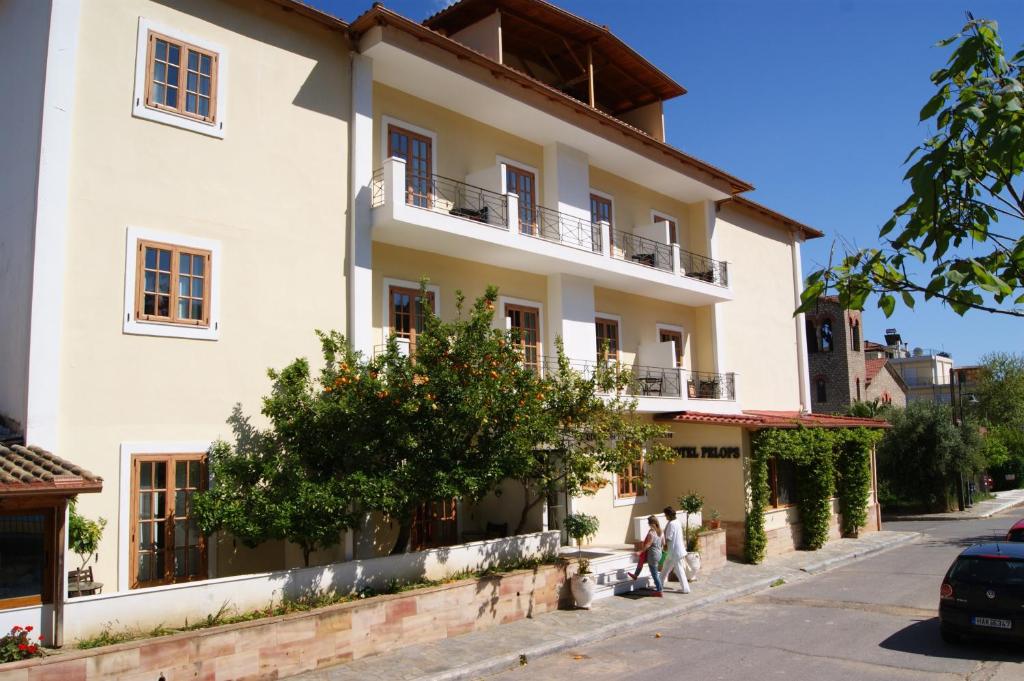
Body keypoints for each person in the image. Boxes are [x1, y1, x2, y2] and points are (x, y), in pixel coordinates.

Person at [629, 515, 663, 596]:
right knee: (641, 560)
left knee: (654, 574)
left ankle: (659, 590)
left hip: (653, 555)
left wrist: (640, 551)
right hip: (658, 553)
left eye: (649, 523)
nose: (648, 524)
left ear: (652, 523)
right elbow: (663, 543)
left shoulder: (652, 533)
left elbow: (648, 544)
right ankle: (635, 575)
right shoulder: (660, 531)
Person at [659, 506, 691, 594]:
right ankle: (659, 585)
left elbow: (669, 538)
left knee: (679, 570)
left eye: (665, 515)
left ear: (669, 515)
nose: (665, 517)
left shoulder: (672, 524)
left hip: (674, 552)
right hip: (674, 552)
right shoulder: (677, 522)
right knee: (665, 569)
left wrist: (664, 548)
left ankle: (686, 588)